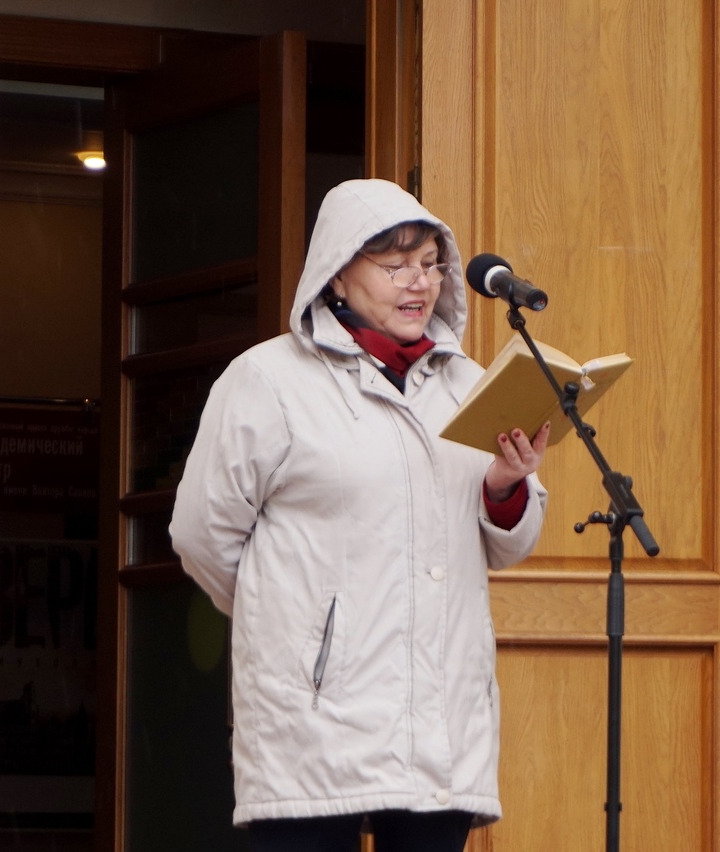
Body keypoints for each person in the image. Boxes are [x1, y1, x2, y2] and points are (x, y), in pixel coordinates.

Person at [169, 178, 550, 852]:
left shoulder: (467, 385)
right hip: (315, 720)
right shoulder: (268, 380)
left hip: (439, 724)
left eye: (430, 262)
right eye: (395, 263)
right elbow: (202, 534)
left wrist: (504, 487)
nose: (419, 282)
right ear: (338, 272)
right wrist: (297, 626)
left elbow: (508, 546)